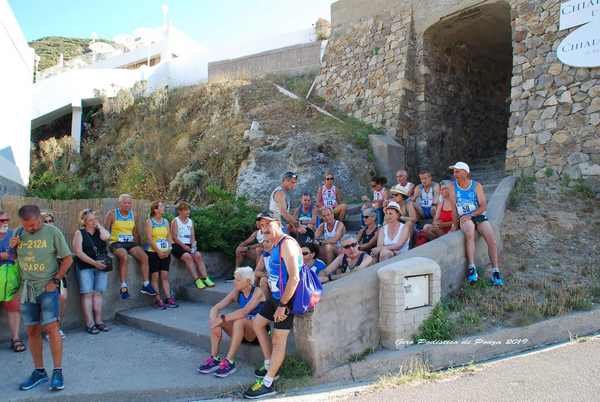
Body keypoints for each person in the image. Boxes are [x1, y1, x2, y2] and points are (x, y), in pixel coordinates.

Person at [10, 205, 73, 391]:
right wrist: (13, 248)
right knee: (31, 331)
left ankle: (57, 372)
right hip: (27, 289)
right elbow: (15, 259)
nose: (30, 228)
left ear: (39, 218)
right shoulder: (19, 232)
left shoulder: (52, 232)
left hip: (48, 287)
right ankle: (39, 371)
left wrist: (55, 280)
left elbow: (68, 258)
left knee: (52, 329)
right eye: (27, 225)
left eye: (33, 224)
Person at [243, 211, 302, 399]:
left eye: (267, 224)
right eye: (261, 226)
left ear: (277, 223)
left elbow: (294, 277)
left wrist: (283, 305)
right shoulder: (273, 245)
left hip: (288, 299)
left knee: (278, 339)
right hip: (276, 297)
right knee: (257, 323)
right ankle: (270, 365)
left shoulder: (287, 243)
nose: (264, 229)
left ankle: (269, 383)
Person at [198, 267, 266, 378]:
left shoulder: (258, 292)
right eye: (235, 279)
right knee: (217, 319)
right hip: (242, 332)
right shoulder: (237, 292)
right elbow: (216, 307)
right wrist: (213, 320)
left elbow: (244, 312)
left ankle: (229, 362)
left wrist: (223, 318)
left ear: (248, 281)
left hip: (257, 333)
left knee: (238, 321)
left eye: (238, 280)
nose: (235, 282)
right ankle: (214, 358)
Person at [448, 162, 504, 286]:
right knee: (469, 230)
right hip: (464, 218)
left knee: (491, 240)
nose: (454, 174)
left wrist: (472, 214)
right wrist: (454, 225)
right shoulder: (452, 186)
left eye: (457, 171)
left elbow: (483, 205)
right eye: (454, 172)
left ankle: (496, 271)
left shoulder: (476, 185)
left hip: (477, 214)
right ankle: (472, 268)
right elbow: (453, 208)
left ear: (465, 173)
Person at [105, 194, 155, 300]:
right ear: (120, 203)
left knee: (144, 256)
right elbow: (105, 230)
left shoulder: (133, 214)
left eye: (129, 203)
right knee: (124, 256)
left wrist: (139, 244)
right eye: (125, 203)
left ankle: (146, 284)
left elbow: (134, 231)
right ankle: (123, 286)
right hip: (116, 242)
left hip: (129, 242)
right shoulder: (112, 214)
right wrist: (106, 246)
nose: (128, 205)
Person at [72, 209, 111, 334]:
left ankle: (99, 321)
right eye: (90, 220)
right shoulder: (79, 233)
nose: (93, 222)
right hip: (86, 266)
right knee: (87, 293)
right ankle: (90, 323)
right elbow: (78, 252)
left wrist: (99, 225)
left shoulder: (100, 231)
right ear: (84, 222)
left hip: (102, 265)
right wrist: (94, 263)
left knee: (98, 293)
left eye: (94, 219)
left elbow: (107, 237)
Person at [170, 202, 215, 289]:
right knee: (187, 256)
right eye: (185, 210)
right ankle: (197, 280)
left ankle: (205, 278)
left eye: (188, 210)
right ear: (180, 211)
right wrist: (184, 247)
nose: (188, 212)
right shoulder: (175, 221)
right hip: (178, 245)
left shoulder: (190, 221)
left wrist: (193, 246)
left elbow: (192, 236)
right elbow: (174, 237)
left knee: (197, 255)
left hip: (188, 245)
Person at [0, 211, 25, 352]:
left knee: (13, 306)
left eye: (6, 220)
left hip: (11, 275)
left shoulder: (13, 235)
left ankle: (15, 338)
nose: (4, 223)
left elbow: (22, 252)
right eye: (1, 220)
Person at [145, 201, 176, 309]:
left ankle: (168, 298)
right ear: (155, 209)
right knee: (155, 276)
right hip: (153, 252)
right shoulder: (150, 222)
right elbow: (149, 239)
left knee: (165, 276)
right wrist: (158, 251)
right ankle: (158, 299)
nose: (163, 208)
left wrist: (169, 249)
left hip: (166, 252)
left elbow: (169, 236)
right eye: (161, 206)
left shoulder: (166, 221)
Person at [41, 212, 67, 339]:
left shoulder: (58, 235)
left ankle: (57, 327)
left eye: (50, 221)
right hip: (42, 274)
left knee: (62, 298)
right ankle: (49, 330)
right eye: (45, 221)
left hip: (59, 272)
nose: (48, 223)